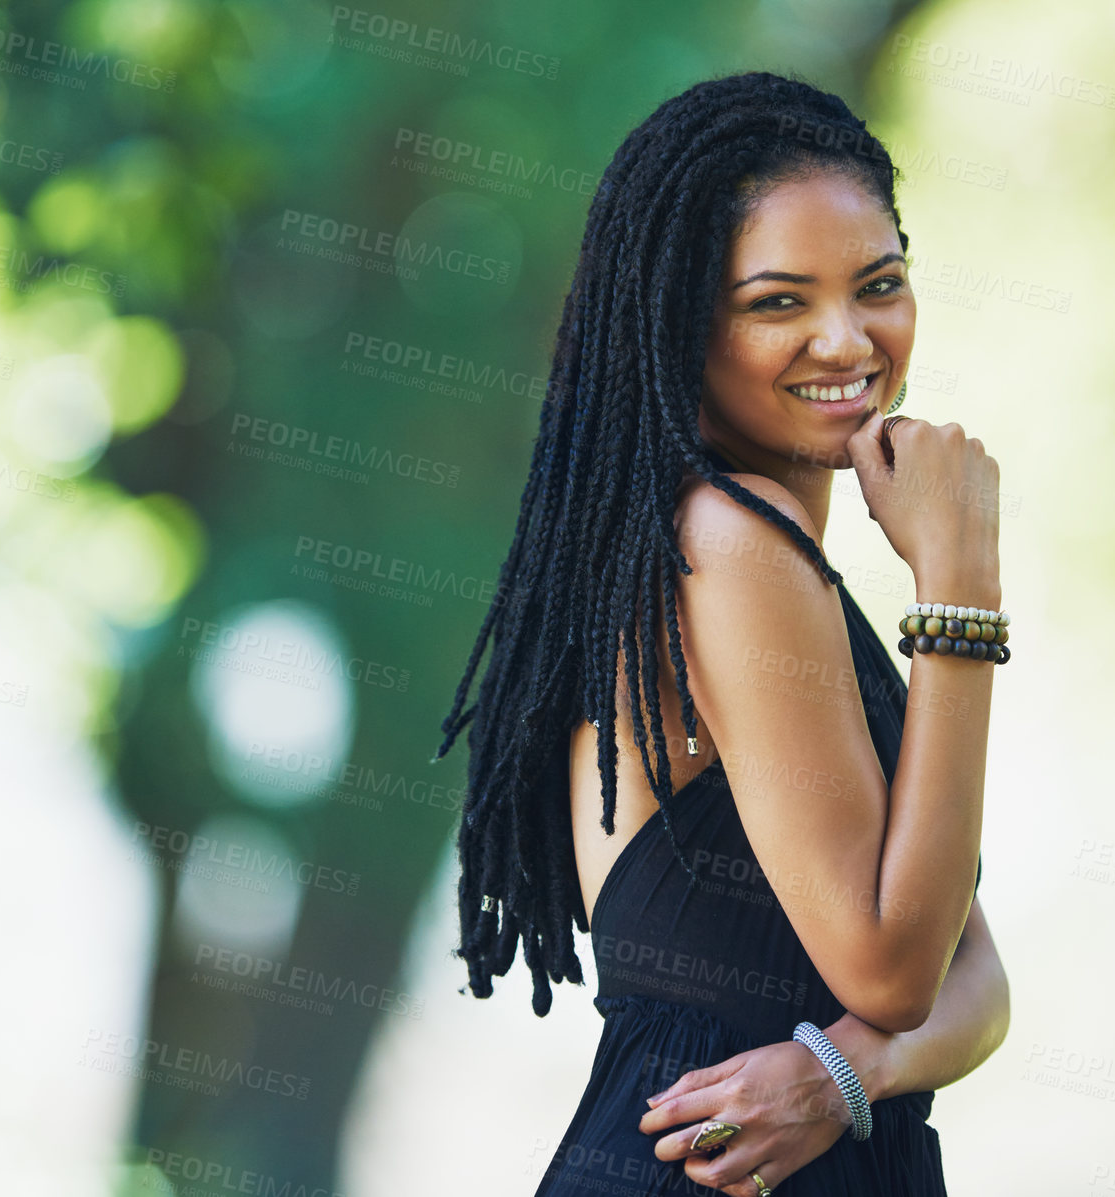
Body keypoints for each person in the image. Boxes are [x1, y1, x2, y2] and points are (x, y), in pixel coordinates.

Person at [432, 70, 1010, 1196]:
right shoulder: (730, 546)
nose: (846, 341)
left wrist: (836, 1073)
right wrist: (962, 582)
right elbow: (896, 973)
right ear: (681, 321)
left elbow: (974, 977)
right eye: (777, 302)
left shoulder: (769, 561)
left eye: (877, 285)